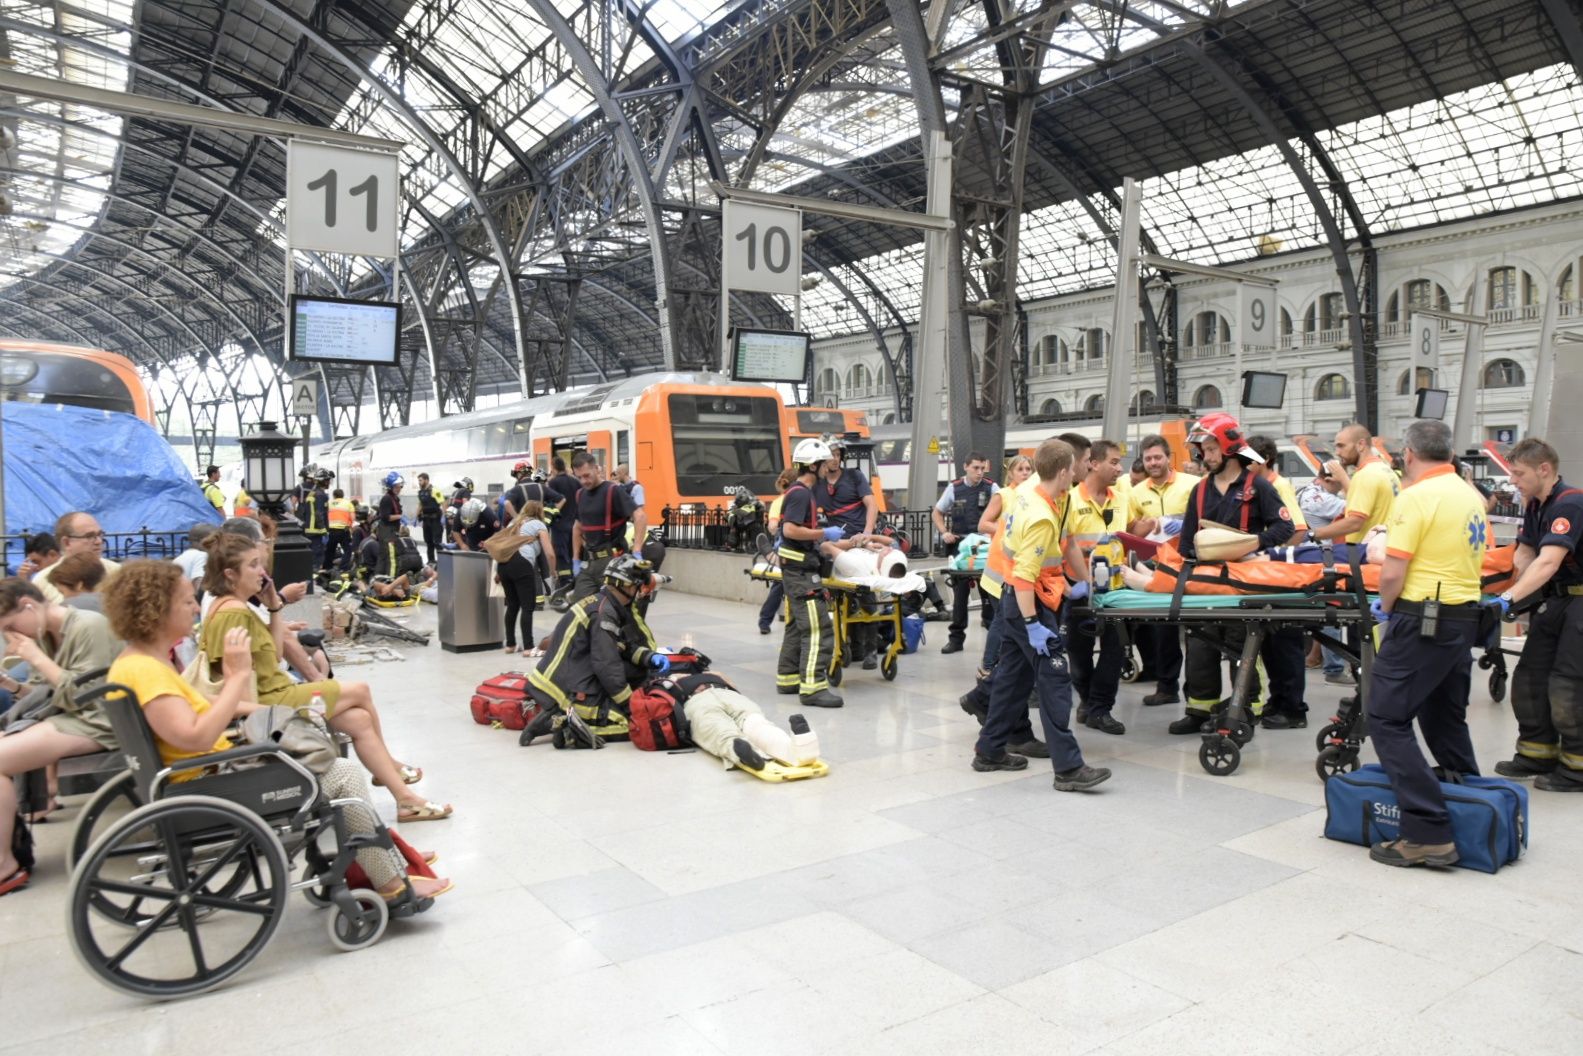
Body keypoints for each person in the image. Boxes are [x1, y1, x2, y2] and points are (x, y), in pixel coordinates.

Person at [102, 561, 452, 901]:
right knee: (343, 774)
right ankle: (390, 881)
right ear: (156, 610)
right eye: (185, 600)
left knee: (346, 731)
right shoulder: (149, 671)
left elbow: (198, 709)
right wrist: (238, 676)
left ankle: (389, 857)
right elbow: (195, 737)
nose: (196, 605)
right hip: (215, 784)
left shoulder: (138, 664)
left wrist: (264, 709)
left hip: (206, 775)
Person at [195, 533, 452, 822]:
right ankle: (390, 767)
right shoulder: (232, 614)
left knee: (360, 721)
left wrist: (274, 606)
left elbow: (275, 654)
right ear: (230, 574)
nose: (263, 573)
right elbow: (238, 685)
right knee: (360, 690)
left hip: (279, 694)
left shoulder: (239, 607)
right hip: (275, 703)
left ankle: (405, 801)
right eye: (254, 565)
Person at [1364, 420, 1489, 867]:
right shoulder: (1470, 496)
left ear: (1410, 456)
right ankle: (1472, 804)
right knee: (1444, 716)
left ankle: (1427, 832)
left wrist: (1386, 606)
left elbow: (1394, 569)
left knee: (1386, 717)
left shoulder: (1416, 497)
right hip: (1461, 620)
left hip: (1423, 619)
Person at [974, 438, 1109, 790]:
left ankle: (989, 751)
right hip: (1027, 603)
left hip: (1028, 597)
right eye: (1080, 465)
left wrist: (1081, 584)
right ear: (1065, 471)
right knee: (1055, 679)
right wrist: (1033, 625)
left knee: (1012, 679)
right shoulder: (1040, 515)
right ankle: (1068, 768)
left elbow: (1067, 544)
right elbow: (1022, 576)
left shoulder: (1049, 496)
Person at [1170, 413, 1294, 735]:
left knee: (1242, 649)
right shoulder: (1199, 491)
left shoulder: (1258, 487)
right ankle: (1199, 709)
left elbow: (1285, 527)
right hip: (1205, 582)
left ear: (1229, 448)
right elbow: (1186, 542)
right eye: (1203, 450)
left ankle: (1246, 709)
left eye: (1211, 449)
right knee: (1199, 647)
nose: (1205, 457)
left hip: (1242, 584)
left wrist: (1255, 543)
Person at [0, 578, 121, 893]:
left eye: (11, 625)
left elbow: (87, 695)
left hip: (102, 720)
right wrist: (10, 684)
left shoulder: (87, 625)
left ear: (29, 605)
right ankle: (7, 856)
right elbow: (45, 695)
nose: (11, 635)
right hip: (74, 716)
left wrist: (34, 656)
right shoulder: (44, 633)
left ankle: (6, 864)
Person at [1490, 439, 1583, 791]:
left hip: (1579, 602)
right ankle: (1536, 753)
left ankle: (1577, 767)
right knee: (1531, 676)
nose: (1512, 481)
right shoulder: (1536, 504)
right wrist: (1512, 591)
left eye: (1518, 473)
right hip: (1557, 600)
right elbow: (1527, 551)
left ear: (1544, 469)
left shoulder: (1570, 504)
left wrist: (1509, 598)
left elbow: (1549, 560)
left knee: (1568, 684)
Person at [520, 554, 671, 748]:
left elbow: (622, 645)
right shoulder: (604, 614)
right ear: (626, 586)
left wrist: (650, 657)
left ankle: (557, 717)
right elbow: (607, 665)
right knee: (635, 726)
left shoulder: (601, 603)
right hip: (568, 688)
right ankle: (565, 729)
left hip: (561, 677)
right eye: (637, 587)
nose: (639, 593)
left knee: (638, 670)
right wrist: (629, 705)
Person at [1124, 434, 1200, 708]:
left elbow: (1205, 518)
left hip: (1191, 562)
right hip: (1155, 565)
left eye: (1158, 457)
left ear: (1169, 458)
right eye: (1148, 459)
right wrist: (1142, 528)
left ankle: (1197, 691)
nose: (1153, 463)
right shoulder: (1136, 492)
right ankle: (1167, 687)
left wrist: (1180, 523)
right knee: (1163, 627)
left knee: (1196, 630)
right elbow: (1131, 527)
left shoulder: (1192, 484)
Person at [1245, 435, 1310, 730]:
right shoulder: (1256, 487)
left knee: (1286, 642)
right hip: (1268, 575)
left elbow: (1297, 529)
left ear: (1265, 460)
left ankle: (1293, 708)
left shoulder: (1277, 485)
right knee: (1271, 642)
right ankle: (1279, 699)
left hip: (1282, 575)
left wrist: (1274, 555)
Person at [1064, 439, 1129, 735]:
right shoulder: (1070, 500)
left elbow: (1127, 535)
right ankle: (1087, 700)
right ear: (1093, 463)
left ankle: (1100, 708)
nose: (1120, 468)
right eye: (1114, 462)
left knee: (1115, 647)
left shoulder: (1122, 498)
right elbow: (1064, 544)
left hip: (1114, 590)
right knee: (1078, 650)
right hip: (1077, 587)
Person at [775, 438, 846, 709]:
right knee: (818, 628)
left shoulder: (798, 492)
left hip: (797, 568)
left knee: (797, 626)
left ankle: (788, 677)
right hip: (800, 572)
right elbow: (790, 530)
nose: (828, 468)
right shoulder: (801, 493)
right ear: (813, 466)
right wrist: (823, 534)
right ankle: (813, 688)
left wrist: (822, 542)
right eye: (825, 464)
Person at [817, 436, 881, 667]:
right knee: (842, 597)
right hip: (837, 542)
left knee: (865, 592)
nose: (834, 459)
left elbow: (871, 505)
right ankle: (852, 648)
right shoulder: (818, 484)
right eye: (829, 455)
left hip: (859, 540)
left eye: (837, 454)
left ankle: (872, 649)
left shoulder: (855, 477)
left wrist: (866, 533)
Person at [932, 452, 999, 655]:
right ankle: (956, 638)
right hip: (961, 547)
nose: (979, 472)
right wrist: (944, 533)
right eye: (976, 468)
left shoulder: (992, 488)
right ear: (966, 467)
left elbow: (1005, 510)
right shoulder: (954, 488)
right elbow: (937, 512)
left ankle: (994, 637)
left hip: (984, 546)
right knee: (960, 595)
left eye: (982, 468)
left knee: (989, 592)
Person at [570, 451, 644, 602]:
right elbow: (577, 528)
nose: (584, 481)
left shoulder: (613, 491)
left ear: (596, 469)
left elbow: (640, 516)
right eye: (579, 477)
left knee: (611, 610)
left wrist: (637, 551)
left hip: (613, 561)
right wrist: (575, 559)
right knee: (579, 609)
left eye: (587, 475)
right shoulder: (580, 495)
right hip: (590, 562)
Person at [1309, 423, 1398, 545]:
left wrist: (1312, 534)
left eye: (1341, 446)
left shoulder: (1365, 475)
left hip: (1364, 553)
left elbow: (1355, 522)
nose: (1337, 452)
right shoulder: (1385, 470)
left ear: (1361, 445)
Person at [496, 496, 556, 656]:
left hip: (504, 565)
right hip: (521, 564)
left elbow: (503, 547)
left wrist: (497, 572)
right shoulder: (538, 524)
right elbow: (549, 553)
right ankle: (528, 648)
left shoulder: (513, 523)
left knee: (512, 606)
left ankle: (510, 645)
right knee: (527, 607)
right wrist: (553, 571)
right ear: (539, 512)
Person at [32, 513, 120, 605]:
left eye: (100, 535)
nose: (99, 541)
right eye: (89, 536)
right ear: (66, 542)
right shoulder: (42, 581)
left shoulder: (117, 573)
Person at [757, 468, 798, 635]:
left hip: (785, 548)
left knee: (779, 585)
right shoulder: (793, 500)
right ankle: (765, 620)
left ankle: (764, 621)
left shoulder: (778, 502)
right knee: (780, 584)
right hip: (790, 546)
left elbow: (772, 527)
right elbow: (773, 526)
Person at [546, 457, 580, 591]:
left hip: (559, 524)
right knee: (573, 553)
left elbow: (550, 502)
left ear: (553, 467)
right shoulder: (575, 481)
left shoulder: (553, 482)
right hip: (574, 524)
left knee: (561, 554)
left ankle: (565, 583)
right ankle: (574, 579)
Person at [415, 472, 447, 565]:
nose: (419, 483)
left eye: (420, 480)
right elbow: (421, 504)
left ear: (426, 480)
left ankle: (442, 562)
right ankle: (431, 561)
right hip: (426, 521)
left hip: (435, 520)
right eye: (419, 481)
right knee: (428, 542)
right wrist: (416, 516)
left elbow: (443, 503)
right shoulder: (421, 492)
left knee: (437, 542)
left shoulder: (435, 490)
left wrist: (445, 516)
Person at [325, 488, 356, 570]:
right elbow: (353, 518)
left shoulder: (329, 503)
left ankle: (327, 568)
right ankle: (343, 568)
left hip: (331, 530)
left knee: (330, 551)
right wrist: (351, 528)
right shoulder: (348, 503)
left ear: (334, 496)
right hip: (344, 530)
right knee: (347, 550)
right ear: (343, 495)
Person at [376, 471, 405, 546]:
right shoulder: (387, 499)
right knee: (389, 555)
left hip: (392, 531)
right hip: (387, 533)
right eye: (396, 486)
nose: (399, 488)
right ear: (391, 487)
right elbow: (386, 517)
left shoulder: (395, 498)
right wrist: (401, 517)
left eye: (400, 486)